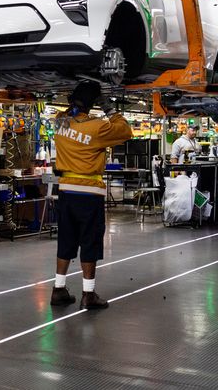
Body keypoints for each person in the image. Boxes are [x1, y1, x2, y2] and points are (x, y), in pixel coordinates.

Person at [51, 81, 132, 310]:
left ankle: (58, 289)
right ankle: (88, 294)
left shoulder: (60, 122)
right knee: (90, 241)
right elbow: (125, 130)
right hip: (89, 192)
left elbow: (68, 112)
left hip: (66, 190)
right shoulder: (97, 127)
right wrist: (110, 109)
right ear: (92, 105)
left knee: (66, 239)